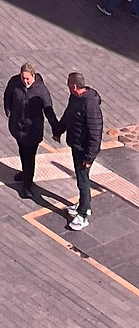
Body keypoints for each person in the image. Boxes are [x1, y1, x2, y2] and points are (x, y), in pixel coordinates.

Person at [4, 62, 57, 197]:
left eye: (27, 78)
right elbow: (8, 96)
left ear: (33, 76)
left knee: (30, 157)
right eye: (23, 78)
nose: (25, 81)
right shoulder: (14, 82)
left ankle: (27, 185)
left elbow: (48, 110)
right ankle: (25, 173)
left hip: (33, 131)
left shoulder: (41, 90)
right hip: (18, 127)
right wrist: (9, 111)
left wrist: (56, 128)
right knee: (22, 151)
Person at [61, 71, 103, 231]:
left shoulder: (90, 105)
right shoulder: (75, 98)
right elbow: (68, 115)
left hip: (84, 151)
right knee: (82, 178)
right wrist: (59, 130)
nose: (67, 87)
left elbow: (95, 133)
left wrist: (89, 158)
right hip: (77, 145)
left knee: (83, 180)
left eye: (68, 84)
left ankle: (83, 214)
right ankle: (83, 204)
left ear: (73, 86)